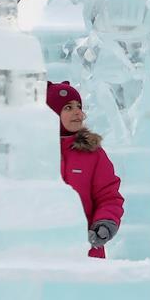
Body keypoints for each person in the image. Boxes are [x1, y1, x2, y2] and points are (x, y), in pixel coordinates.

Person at [47, 81, 125, 259]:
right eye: (68, 107)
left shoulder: (93, 153)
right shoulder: (35, 152)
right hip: (42, 252)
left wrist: (104, 223)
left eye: (79, 106)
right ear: (51, 113)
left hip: (86, 252)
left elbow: (109, 196)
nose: (77, 112)